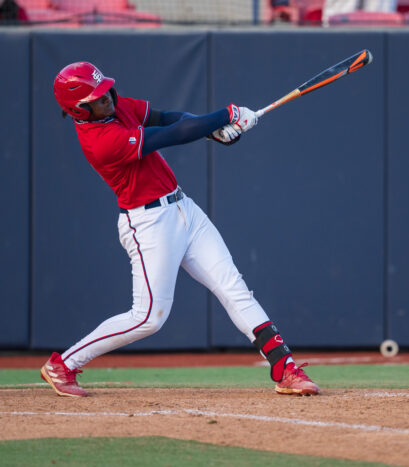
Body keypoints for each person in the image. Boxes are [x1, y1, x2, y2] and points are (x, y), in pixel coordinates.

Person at [41, 61, 319, 398]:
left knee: (234, 289)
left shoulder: (116, 105)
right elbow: (169, 136)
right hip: (148, 224)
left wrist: (211, 129)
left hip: (184, 208)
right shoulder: (100, 141)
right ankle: (64, 363)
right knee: (148, 318)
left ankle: (285, 369)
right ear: (79, 110)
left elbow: (168, 118)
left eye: (105, 91)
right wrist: (226, 115)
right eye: (97, 97)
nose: (108, 98)